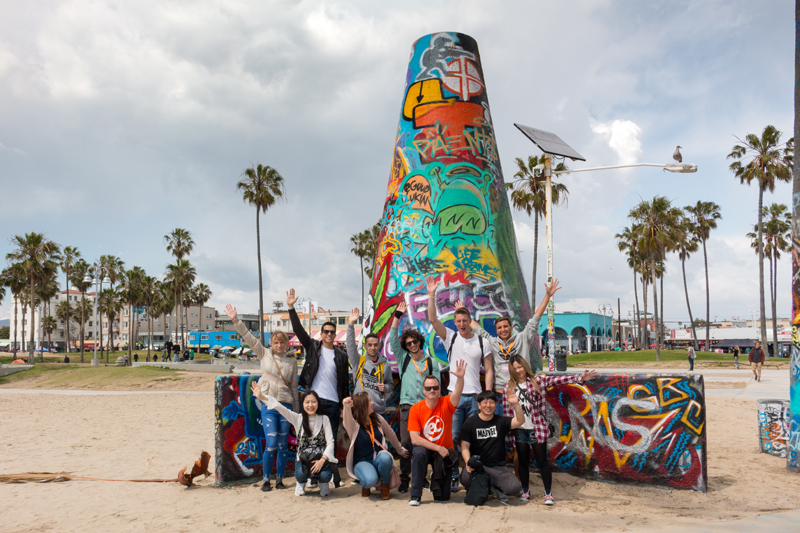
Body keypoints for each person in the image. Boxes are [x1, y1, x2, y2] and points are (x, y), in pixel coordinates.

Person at [426, 276, 492, 493]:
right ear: (455, 323)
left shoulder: (482, 341)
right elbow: (433, 319)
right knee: (452, 437)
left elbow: (489, 369)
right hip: (454, 396)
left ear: (469, 321)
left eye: (464, 321)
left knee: (474, 439)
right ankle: (454, 474)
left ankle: (474, 473)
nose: (462, 325)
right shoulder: (451, 337)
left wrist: (488, 395)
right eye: (458, 322)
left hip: (475, 397)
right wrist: (432, 294)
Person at [504, 355, 596, 504]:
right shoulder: (508, 387)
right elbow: (507, 411)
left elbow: (559, 380)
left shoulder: (537, 381)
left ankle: (548, 493)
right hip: (519, 429)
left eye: (520, 367)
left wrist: (581, 377)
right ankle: (526, 491)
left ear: (525, 366)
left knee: (542, 461)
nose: (518, 370)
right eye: (515, 368)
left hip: (537, 428)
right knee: (522, 462)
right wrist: (510, 430)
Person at [227, 304, 299, 492]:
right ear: (271, 343)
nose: (279, 345)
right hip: (268, 404)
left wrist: (296, 416)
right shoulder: (264, 354)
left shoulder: (292, 361)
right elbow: (248, 338)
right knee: (272, 443)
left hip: (285, 405)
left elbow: (293, 388)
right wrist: (235, 319)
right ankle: (267, 479)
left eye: (282, 342)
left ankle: (280, 479)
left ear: (286, 343)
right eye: (276, 342)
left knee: (283, 446)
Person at [467, 279, 560, 415]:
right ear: (496, 330)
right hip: (500, 394)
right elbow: (478, 329)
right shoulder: (492, 342)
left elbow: (535, 319)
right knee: (504, 431)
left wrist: (547, 296)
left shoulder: (522, 338)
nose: (503, 329)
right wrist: (463, 313)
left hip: (521, 391)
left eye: (505, 326)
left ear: (511, 327)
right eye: (499, 328)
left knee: (522, 428)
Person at [288, 288, 350, 488]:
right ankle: (312, 476)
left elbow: (344, 383)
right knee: (310, 439)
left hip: (332, 403)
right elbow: (298, 331)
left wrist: (344, 404)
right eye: (326, 332)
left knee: (328, 441)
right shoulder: (313, 347)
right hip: (312, 401)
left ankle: (328, 475)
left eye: (332, 332)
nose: (329, 334)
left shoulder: (341, 355)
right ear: (321, 334)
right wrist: (290, 307)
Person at [389, 300, 441, 494]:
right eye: (408, 343)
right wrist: (397, 315)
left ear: (420, 342)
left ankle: (423, 478)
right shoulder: (403, 359)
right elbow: (393, 338)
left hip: (427, 409)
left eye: (414, 342)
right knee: (406, 443)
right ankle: (405, 479)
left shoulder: (431, 362)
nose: (412, 345)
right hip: (408, 407)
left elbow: (438, 388)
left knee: (427, 442)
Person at [251, 385, 336, 497]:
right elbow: (278, 406)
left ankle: (323, 483)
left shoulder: (324, 419)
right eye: (307, 402)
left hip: (320, 459)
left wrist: (322, 460)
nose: (310, 405)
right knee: (300, 474)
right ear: (303, 404)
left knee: (326, 475)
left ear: (318, 403)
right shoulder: (298, 418)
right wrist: (261, 396)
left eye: (313, 402)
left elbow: (330, 442)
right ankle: (300, 483)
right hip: (303, 460)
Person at [407, 359, 467, 506]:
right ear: (424, 390)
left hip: (444, 452)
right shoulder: (415, 409)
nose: (432, 391)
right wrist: (437, 448)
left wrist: (460, 378)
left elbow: (458, 392)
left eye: (435, 388)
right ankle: (415, 495)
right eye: (428, 388)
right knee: (419, 453)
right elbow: (415, 439)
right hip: (429, 449)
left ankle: (436, 477)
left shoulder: (446, 403)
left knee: (444, 498)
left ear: (439, 389)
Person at [459, 389, 526, 501]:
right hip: (478, 466)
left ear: (496, 405)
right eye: (484, 402)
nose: (488, 405)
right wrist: (468, 462)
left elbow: (520, 421)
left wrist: (516, 403)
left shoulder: (501, 421)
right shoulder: (470, 423)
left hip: (497, 467)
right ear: (479, 405)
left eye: (491, 402)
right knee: (465, 478)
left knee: (514, 488)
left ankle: (488, 486)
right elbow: (465, 447)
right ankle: (490, 488)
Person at [342, 392, 409, 499]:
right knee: (369, 480)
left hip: (378, 457)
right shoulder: (354, 424)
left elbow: (391, 434)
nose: (373, 403)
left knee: (386, 458)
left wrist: (400, 449)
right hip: (362, 461)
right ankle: (366, 484)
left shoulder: (377, 418)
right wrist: (346, 406)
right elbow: (346, 419)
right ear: (363, 405)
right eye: (369, 401)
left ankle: (384, 486)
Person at [346, 307, 394, 416]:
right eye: (370, 345)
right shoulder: (358, 360)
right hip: (359, 409)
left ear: (379, 346)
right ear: (365, 346)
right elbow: (350, 346)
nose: (373, 347)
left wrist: (385, 387)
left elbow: (390, 384)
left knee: (378, 434)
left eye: (375, 345)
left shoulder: (385, 365)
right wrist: (350, 324)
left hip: (378, 410)